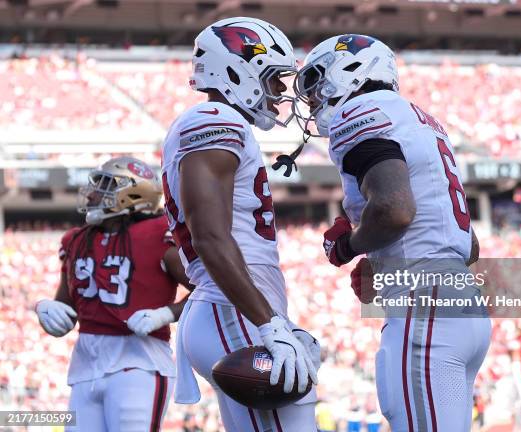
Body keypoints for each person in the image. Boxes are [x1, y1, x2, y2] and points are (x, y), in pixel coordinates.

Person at [293, 34, 490, 432]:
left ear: (348, 72)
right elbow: (468, 244)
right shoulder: (420, 119)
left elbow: (396, 210)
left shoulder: (360, 114)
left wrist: (347, 245)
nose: (312, 100)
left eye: (316, 83)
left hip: (424, 306)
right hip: (462, 304)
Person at [161, 17, 319, 432]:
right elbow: (210, 235)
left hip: (232, 304)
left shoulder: (222, 123)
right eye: (273, 79)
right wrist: (271, 324)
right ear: (236, 69)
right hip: (228, 306)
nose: (281, 92)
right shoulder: (214, 118)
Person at [35, 156, 192, 432]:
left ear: (133, 192)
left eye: (106, 185)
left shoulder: (157, 234)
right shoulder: (76, 239)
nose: (94, 193)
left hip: (139, 363)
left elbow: (207, 289)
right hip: (86, 366)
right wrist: (46, 309)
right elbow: (67, 311)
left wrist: (165, 314)